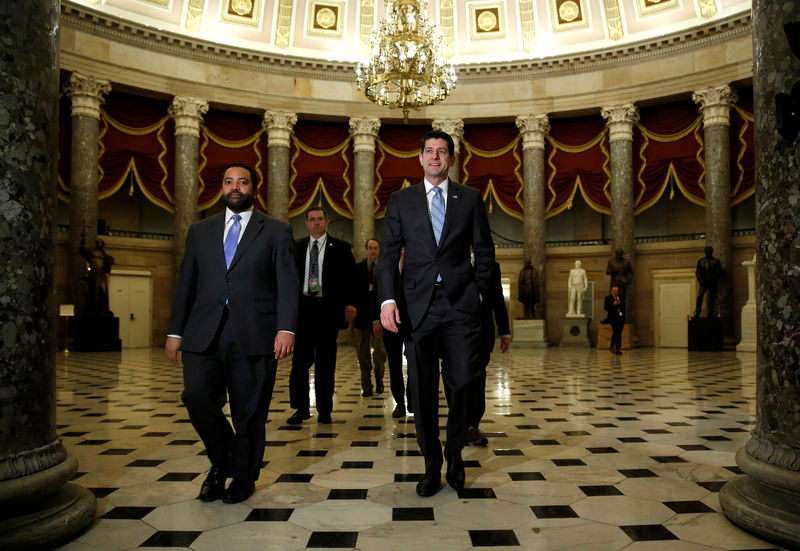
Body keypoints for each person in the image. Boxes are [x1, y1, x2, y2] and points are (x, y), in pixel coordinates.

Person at [165, 163, 298, 504]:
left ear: (254, 187)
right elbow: (186, 285)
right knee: (196, 397)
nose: (235, 187)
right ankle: (224, 460)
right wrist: (174, 331)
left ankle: (242, 475)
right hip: (202, 332)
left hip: (255, 332)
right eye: (228, 182)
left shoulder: (275, 231)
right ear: (221, 188)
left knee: (248, 411)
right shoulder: (199, 231)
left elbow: (287, 284)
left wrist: (286, 328)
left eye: (242, 181)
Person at [378, 129, 495, 497]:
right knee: (422, 391)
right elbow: (387, 255)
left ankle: (455, 454)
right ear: (420, 158)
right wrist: (387, 301)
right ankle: (431, 465)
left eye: (441, 152)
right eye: (428, 151)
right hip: (417, 309)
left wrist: (477, 293)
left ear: (451, 158)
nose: (434, 157)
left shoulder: (470, 198)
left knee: (462, 385)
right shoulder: (401, 200)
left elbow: (486, 254)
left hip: (460, 307)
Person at [288, 206, 357, 425]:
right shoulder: (296, 248)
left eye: (320, 219)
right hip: (303, 310)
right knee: (299, 362)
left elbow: (350, 278)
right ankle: (301, 408)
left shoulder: (341, 248)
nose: (316, 223)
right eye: (312, 220)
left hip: (328, 310)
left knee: (326, 363)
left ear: (326, 222)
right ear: (307, 223)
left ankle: (325, 410)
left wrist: (351, 303)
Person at [465, 260, 511, 446]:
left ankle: (472, 425)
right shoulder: (451, 256)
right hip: (456, 333)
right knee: (458, 380)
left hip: (483, 333)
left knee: (478, 379)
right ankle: (461, 423)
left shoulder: (492, 266)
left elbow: (497, 298)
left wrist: (504, 331)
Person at [378, 248, 412, 418]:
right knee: (394, 364)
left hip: (415, 322)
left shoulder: (418, 253)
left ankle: (413, 399)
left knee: (415, 362)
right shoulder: (388, 259)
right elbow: (380, 289)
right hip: (392, 322)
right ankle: (399, 402)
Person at [354, 238, 386, 397]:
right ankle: (366, 385)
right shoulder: (358, 269)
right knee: (362, 354)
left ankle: (379, 379)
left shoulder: (384, 269)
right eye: (370, 248)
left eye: (376, 248)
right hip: (361, 319)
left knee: (380, 352)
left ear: (379, 250)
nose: (373, 251)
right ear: (366, 250)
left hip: (380, 319)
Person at [80, 237, 114, 314]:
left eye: (100, 243)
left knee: (103, 292)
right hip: (94, 276)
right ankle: (94, 309)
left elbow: (108, 265)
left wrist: (109, 262)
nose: (99, 245)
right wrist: (82, 241)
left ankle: (103, 309)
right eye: (98, 243)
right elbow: (83, 252)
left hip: (101, 276)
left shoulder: (104, 255)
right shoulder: (91, 253)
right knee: (94, 293)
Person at [693, 246, 723, 319]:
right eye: (707, 250)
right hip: (704, 282)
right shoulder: (701, 261)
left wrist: (715, 279)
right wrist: (700, 280)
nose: (708, 252)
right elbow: (698, 272)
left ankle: (711, 314)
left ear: (711, 251)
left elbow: (719, 272)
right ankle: (697, 312)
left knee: (712, 298)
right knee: (700, 297)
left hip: (712, 282)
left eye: (709, 250)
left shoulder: (716, 261)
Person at [604, 285, 625, 354]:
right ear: (611, 291)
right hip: (613, 318)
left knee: (619, 333)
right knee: (616, 331)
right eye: (614, 291)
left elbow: (623, 307)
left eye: (616, 291)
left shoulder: (621, 298)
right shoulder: (608, 298)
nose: (615, 292)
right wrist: (613, 304)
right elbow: (606, 308)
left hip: (620, 318)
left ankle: (618, 348)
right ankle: (611, 346)